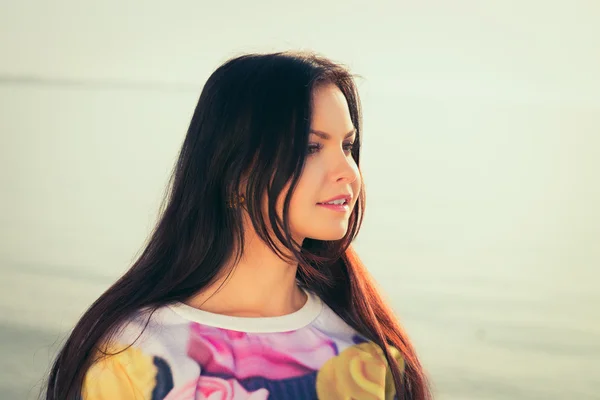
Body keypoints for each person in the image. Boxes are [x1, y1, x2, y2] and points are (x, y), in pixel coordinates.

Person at [43, 51, 431, 400]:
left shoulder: (364, 355)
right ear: (235, 170)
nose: (348, 171)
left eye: (347, 146)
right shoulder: (134, 355)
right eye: (312, 147)